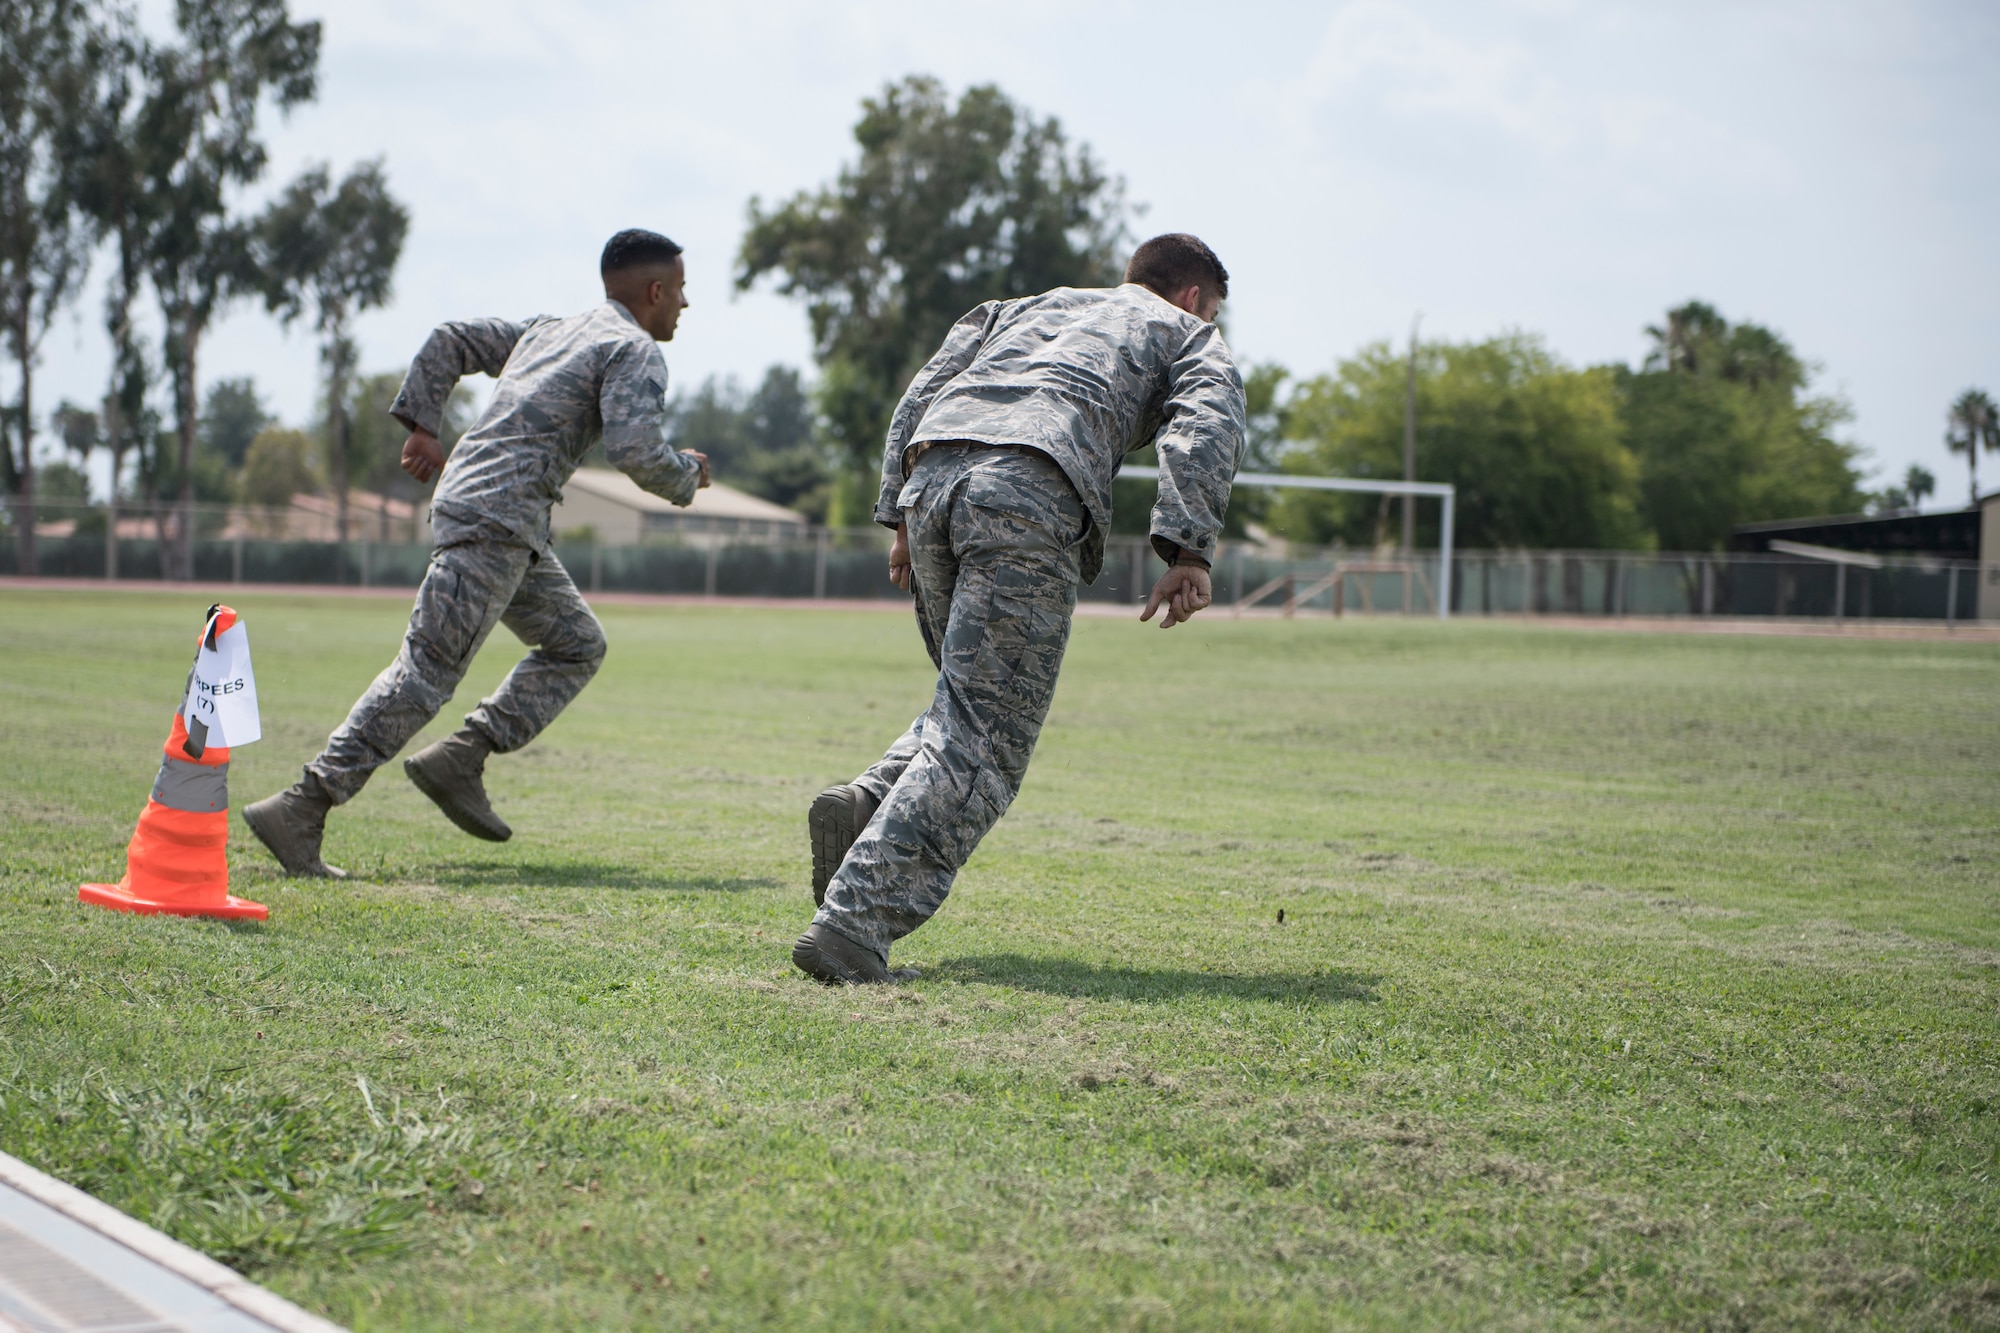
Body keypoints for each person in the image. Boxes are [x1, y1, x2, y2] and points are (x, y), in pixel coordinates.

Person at [793, 233, 1247, 984]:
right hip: (1029, 487)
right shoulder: (1187, 330)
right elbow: (1206, 424)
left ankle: (868, 800)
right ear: (1195, 296)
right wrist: (1189, 550)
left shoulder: (1026, 308)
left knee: (964, 706)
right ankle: (853, 924)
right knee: (987, 740)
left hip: (933, 475)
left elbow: (922, 389)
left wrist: (899, 515)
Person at [244, 229, 710, 877]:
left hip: (503, 517)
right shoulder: (633, 350)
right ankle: (302, 804)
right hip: (499, 516)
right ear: (655, 291)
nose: (686, 305)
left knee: (578, 643)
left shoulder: (551, 330)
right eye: (682, 290)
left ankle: (463, 753)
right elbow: (634, 451)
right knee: (426, 670)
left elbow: (451, 339)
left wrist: (425, 424)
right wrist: (686, 473)